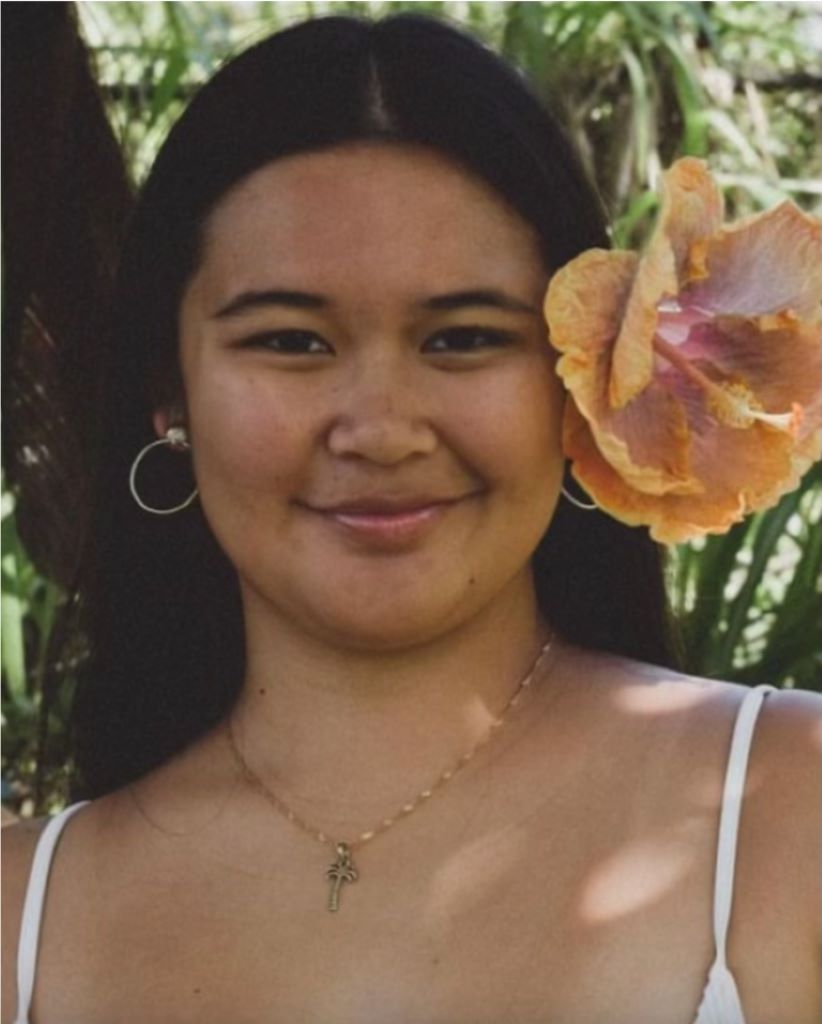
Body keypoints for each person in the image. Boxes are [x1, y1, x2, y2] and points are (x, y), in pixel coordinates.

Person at [2, 13, 819, 1024]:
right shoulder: (24, 920)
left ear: (586, 377)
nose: (381, 430)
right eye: (293, 341)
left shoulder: (788, 808)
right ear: (170, 392)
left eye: (465, 338)